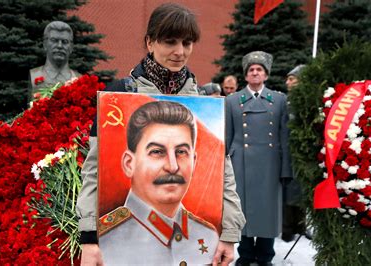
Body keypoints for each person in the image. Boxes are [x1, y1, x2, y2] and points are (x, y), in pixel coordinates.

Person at [76, 3, 245, 266]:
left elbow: (225, 174)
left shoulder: (202, 101)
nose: (180, 52)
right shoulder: (118, 94)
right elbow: (93, 173)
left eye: (187, 43)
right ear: (150, 42)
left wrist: (229, 234)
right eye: (170, 42)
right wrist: (88, 239)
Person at [99, 101, 219, 264]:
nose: (172, 166)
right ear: (129, 164)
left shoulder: (208, 235)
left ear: (194, 162)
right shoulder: (103, 241)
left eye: (181, 152)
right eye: (157, 152)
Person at [225, 51, 292, 266]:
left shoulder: (280, 100)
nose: (255, 72)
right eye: (251, 70)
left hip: (270, 165)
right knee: (240, 209)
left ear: (266, 75)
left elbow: (284, 136)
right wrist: (221, 167)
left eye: (259, 70)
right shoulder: (232, 101)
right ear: (245, 76)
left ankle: (265, 256)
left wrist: (285, 169)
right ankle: (245, 254)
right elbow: (227, 135)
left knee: (268, 211)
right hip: (239, 164)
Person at [282, 64, 307, 242]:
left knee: (302, 190)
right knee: (288, 192)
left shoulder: (307, 101)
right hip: (286, 153)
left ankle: (301, 225)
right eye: (288, 79)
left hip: (303, 155)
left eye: (292, 79)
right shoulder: (284, 102)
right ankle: (287, 228)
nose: (288, 82)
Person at [29, 21, 80, 95]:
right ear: (45, 44)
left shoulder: (79, 80)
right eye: (54, 40)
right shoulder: (34, 75)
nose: (59, 46)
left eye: (64, 42)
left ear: (71, 47)